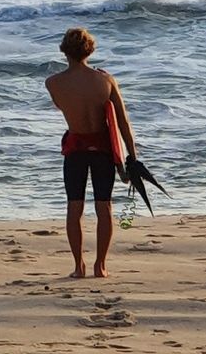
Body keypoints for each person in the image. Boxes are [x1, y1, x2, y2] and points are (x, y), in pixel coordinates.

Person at [45, 27, 137, 279]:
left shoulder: (53, 83)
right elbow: (123, 123)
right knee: (103, 206)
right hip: (102, 150)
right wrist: (132, 158)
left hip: (75, 148)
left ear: (64, 50)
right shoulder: (105, 81)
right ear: (90, 49)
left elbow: (61, 104)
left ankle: (78, 266)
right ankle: (100, 265)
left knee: (74, 207)